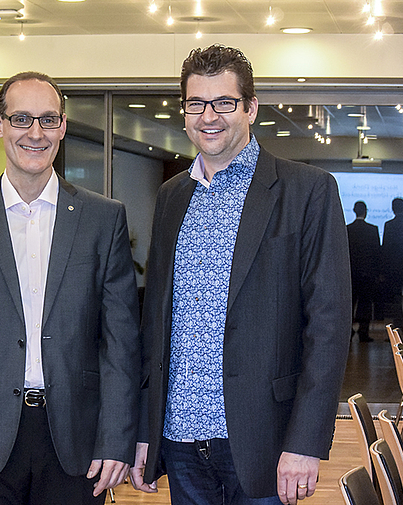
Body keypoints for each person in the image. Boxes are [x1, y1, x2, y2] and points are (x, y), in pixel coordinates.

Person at [130, 45, 351, 505]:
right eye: (196, 103)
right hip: (180, 436)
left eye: (224, 103)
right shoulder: (172, 196)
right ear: (185, 111)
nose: (209, 116)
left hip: (263, 441)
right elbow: (155, 322)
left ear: (250, 107)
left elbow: (328, 328)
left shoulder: (307, 191)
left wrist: (305, 443)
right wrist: (145, 432)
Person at [0, 71, 141, 504]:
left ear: (62, 126)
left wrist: (116, 439)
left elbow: (120, 341)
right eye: (21, 119)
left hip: (76, 442)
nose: (35, 133)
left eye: (48, 119)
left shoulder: (103, 219)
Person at [347, 201, 380, 342]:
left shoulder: (347, 229)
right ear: (365, 211)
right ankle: (363, 331)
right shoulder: (372, 229)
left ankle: (348, 331)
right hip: (368, 273)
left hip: (351, 273)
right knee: (365, 304)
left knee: (350, 303)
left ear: (354, 211)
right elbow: (377, 253)